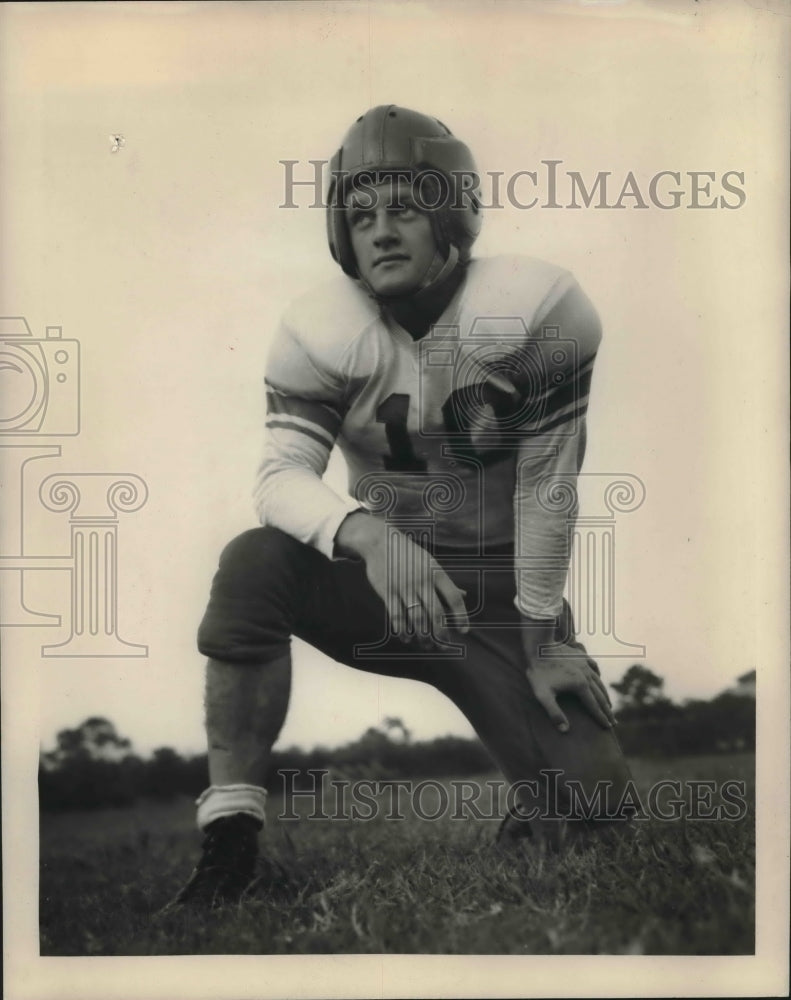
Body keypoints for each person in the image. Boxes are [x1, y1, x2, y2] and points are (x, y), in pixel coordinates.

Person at [168, 105, 633, 909]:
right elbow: (279, 477)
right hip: (386, 584)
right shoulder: (321, 331)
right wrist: (368, 536)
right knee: (253, 564)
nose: (380, 231)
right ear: (340, 238)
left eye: (404, 208)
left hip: (498, 593)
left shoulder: (537, 309)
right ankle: (231, 843)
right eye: (360, 215)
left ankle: (537, 796)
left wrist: (544, 636)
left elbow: (548, 486)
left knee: (598, 820)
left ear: (451, 216)